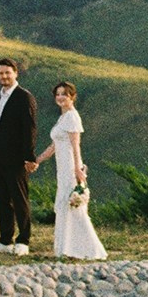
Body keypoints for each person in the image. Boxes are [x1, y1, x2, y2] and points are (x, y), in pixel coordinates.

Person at [35, 81, 107, 261]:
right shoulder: (63, 117)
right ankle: (66, 247)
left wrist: (77, 168)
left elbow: (76, 145)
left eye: (64, 94)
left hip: (70, 165)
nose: (60, 97)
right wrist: (37, 160)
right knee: (64, 203)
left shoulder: (72, 117)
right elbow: (54, 146)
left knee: (72, 203)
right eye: (58, 94)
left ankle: (85, 248)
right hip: (62, 166)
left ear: (72, 97)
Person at [0, 58, 38, 255]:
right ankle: (5, 240)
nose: (4, 76)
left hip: (18, 159)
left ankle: (23, 240)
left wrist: (29, 157)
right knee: (3, 200)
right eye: (0, 73)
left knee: (20, 200)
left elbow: (29, 129)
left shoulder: (24, 97)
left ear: (15, 73)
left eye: (7, 73)